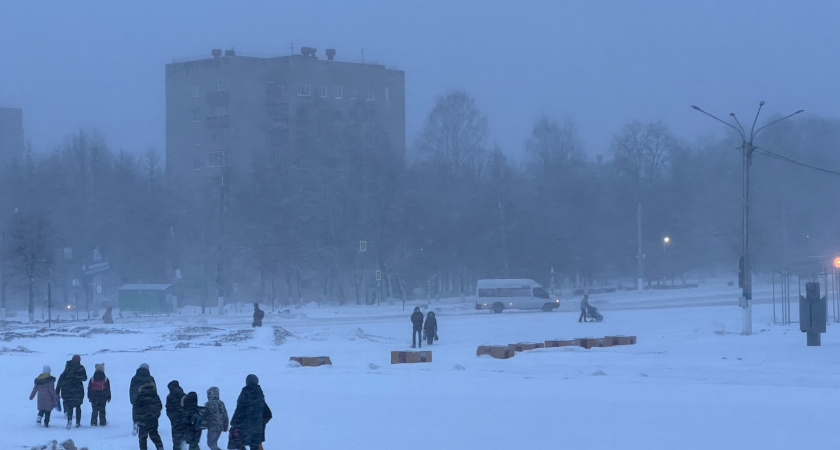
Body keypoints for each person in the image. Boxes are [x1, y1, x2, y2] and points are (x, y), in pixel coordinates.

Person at [229, 374, 272, 450]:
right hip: (257, 429)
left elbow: (239, 411)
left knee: (240, 445)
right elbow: (268, 414)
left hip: (244, 427)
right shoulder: (260, 396)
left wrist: (233, 424)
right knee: (255, 447)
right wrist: (259, 422)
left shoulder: (244, 394)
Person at [56, 354, 88, 429]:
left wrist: (57, 392)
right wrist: (77, 378)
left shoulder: (67, 368)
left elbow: (60, 381)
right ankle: (77, 422)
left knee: (69, 407)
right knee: (78, 406)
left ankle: (69, 421)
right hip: (78, 391)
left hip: (67, 391)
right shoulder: (80, 368)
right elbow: (85, 378)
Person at [134, 383, 165, 450]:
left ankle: (143, 448)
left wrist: (138, 418)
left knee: (142, 437)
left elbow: (136, 408)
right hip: (153, 419)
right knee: (154, 434)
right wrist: (156, 415)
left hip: (143, 419)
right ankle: (160, 447)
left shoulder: (140, 396)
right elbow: (159, 406)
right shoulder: (155, 395)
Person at [130, 363, 157, 435]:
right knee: (147, 412)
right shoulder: (150, 378)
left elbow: (131, 389)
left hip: (136, 398)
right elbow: (154, 389)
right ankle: (147, 425)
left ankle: (136, 423)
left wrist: (132, 399)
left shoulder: (134, 378)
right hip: (148, 398)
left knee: (136, 411)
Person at [165, 380, 187, 450]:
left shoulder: (170, 397)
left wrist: (172, 418)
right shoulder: (184, 395)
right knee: (184, 438)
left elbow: (168, 409)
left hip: (175, 422)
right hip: (185, 421)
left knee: (176, 441)